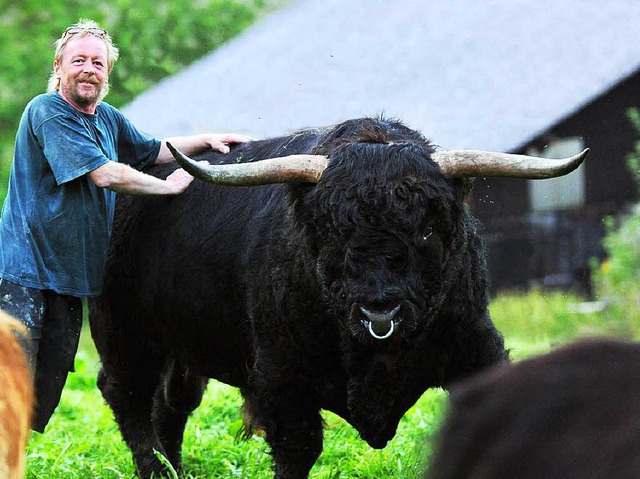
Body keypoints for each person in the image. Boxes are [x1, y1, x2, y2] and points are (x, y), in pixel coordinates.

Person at [0, 19, 251, 433]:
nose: (88, 69)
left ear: (107, 73)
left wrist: (205, 139)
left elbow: (152, 151)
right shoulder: (46, 111)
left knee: (36, 397)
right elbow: (104, 173)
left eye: (98, 62)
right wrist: (167, 188)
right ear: (59, 67)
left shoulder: (107, 119)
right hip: (23, 272)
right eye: (78, 60)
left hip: (68, 279)